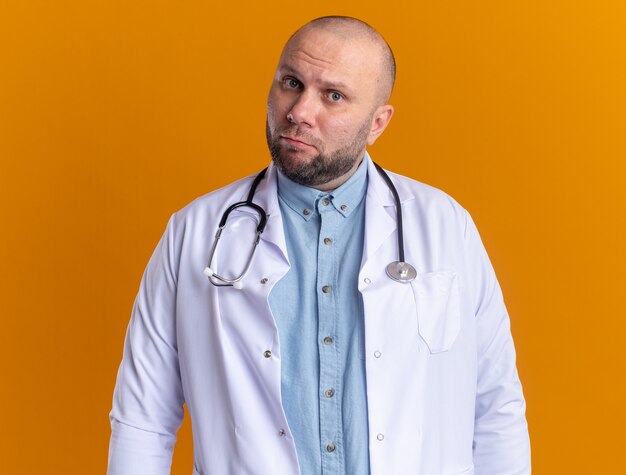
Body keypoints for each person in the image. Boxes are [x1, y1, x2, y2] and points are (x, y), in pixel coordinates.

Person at [107, 16, 531, 475]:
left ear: (377, 123)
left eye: (333, 95)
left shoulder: (446, 226)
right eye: (291, 82)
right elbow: (142, 419)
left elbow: (496, 406)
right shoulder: (195, 232)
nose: (299, 112)